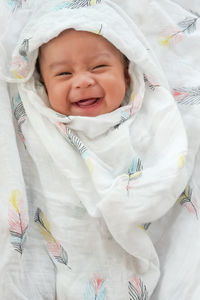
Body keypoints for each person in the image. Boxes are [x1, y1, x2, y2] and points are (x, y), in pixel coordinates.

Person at [0, 0, 200, 299]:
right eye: (63, 74)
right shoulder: (39, 126)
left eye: (99, 67)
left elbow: (171, 165)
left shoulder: (155, 120)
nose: (83, 81)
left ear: (129, 73)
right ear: (42, 85)